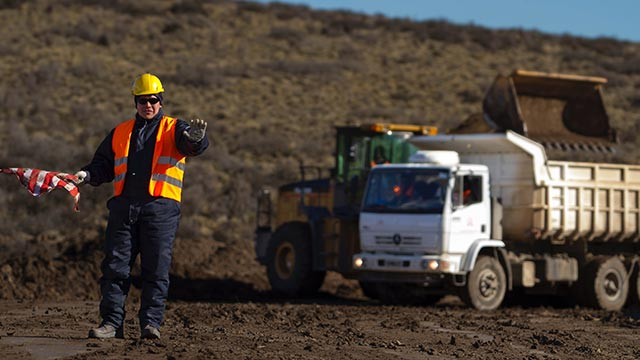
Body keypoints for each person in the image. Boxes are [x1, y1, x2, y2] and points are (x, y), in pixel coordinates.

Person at [71, 73, 209, 340]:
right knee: (115, 268)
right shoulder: (120, 132)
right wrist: (86, 175)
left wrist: (196, 140)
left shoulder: (175, 128)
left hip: (160, 210)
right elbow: (103, 165)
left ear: (161, 101)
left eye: (154, 100)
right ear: (135, 102)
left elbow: (191, 147)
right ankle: (111, 324)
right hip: (124, 209)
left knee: (156, 270)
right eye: (143, 100)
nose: (149, 105)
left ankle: (150, 324)